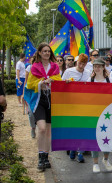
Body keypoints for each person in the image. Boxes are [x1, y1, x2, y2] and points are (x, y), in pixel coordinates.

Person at [24, 43, 62, 171]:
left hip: (52, 100)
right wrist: (42, 82)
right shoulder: (34, 67)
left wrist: (53, 81)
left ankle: (46, 156)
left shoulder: (55, 66)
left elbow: (58, 80)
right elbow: (30, 84)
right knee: (41, 128)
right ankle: (40, 156)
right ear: (39, 53)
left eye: (48, 51)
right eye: (44, 51)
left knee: (49, 130)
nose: (47, 53)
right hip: (39, 100)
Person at [62, 53, 91, 162]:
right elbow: (61, 85)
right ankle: (73, 148)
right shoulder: (68, 72)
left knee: (83, 128)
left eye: (83, 63)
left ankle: (80, 152)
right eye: (79, 63)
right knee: (74, 128)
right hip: (71, 104)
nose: (81, 65)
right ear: (76, 62)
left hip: (84, 104)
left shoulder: (88, 73)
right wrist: (66, 83)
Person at [86, 58, 112, 173]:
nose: (97, 68)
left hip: (107, 113)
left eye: (99, 66)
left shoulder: (109, 80)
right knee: (94, 138)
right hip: (93, 113)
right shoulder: (90, 80)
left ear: (103, 67)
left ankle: (106, 159)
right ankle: (95, 163)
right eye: (95, 66)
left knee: (108, 137)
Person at [24, 56, 37, 138]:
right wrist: (23, 94)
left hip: (40, 93)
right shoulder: (30, 67)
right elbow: (26, 81)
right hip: (30, 93)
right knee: (31, 113)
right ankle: (33, 127)